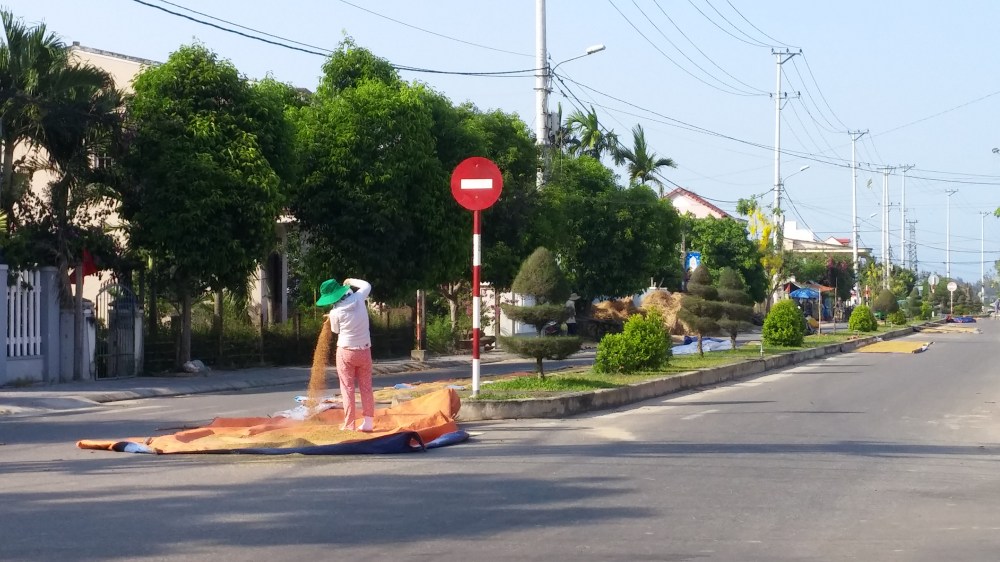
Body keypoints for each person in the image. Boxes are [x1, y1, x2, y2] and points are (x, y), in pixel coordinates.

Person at [316, 277, 374, 432]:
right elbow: (367, 285)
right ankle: (368, 422)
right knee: (366, 387)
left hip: (346, 351)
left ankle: (349, 424)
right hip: (365, 350)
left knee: (347, 388)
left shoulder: (335, 312)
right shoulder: (359, 297)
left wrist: (331, 318)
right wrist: (350, 280)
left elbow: (335, 330)